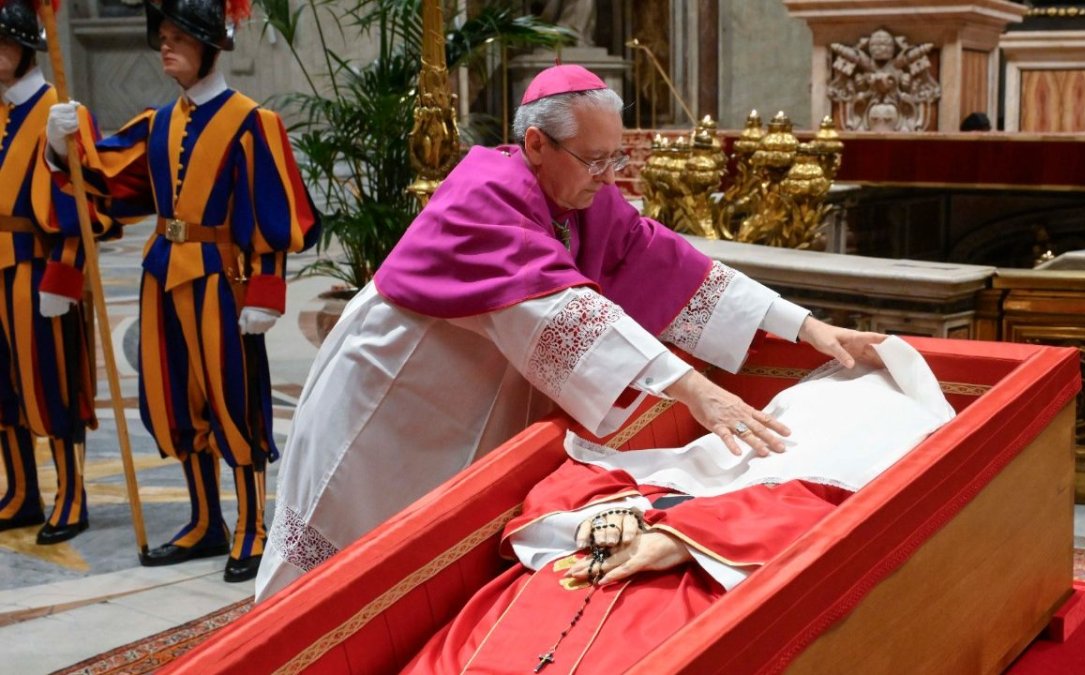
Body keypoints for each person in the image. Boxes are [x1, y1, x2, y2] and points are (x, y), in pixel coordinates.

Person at [254, 64, 884, 601]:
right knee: (324, 573)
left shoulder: (581, 197)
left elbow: (673, 266)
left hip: (464, 411)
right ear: (535, 144)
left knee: (420, 566)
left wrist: (806, 325)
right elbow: (562, 313)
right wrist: (695, 390)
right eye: (595, 160)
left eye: (617, 159)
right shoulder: (483, 196)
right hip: (387, 410)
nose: (610, 176)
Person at [403, 336, 955, 673]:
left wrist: (676, 539)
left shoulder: (844, 472)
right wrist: (610, 512)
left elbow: (821, 525)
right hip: (592, 565)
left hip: (688, 588)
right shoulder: (718, 452)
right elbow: (576, 480)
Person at [45, 0, 319, 581]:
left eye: (178, 37)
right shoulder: (157, 123)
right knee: (174, 402)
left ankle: (252, 525)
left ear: (208, 45)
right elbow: (109, 184)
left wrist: (266, 292)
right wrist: (57, 144)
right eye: (162, 36)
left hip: (224, 280)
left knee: (234, 403)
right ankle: (204, 522)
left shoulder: (251, 123)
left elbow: (271, 209)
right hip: (162, 278)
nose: (165, 46)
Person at [0, 0, 101, 545]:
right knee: (2, 389)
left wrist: (63, 278)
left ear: (23, 46)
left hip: (37, 270)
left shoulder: (60, 112)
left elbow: (83, 209)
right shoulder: (1, 112)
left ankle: (70, 494)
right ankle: (20, 490)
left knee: (53, 386)